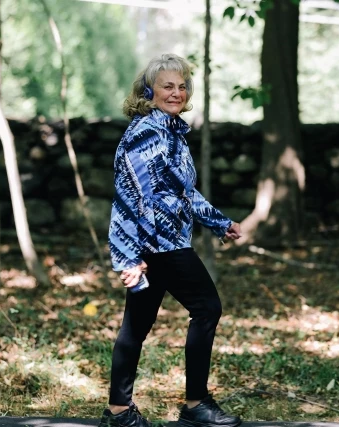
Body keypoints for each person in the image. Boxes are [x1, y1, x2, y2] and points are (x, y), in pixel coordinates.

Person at [100, 53, 243, 427]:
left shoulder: (171, 132)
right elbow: (129, 196)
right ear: (149, 91)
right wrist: (126, 256)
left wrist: (219, 222)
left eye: (181, 86)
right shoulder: (148, 132)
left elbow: (184, 193)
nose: (176, 92)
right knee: (207, 307)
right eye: (167, 86)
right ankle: (196, 405)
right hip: (160, 245)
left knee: (135, 327)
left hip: (165, 242)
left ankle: (118, 412)